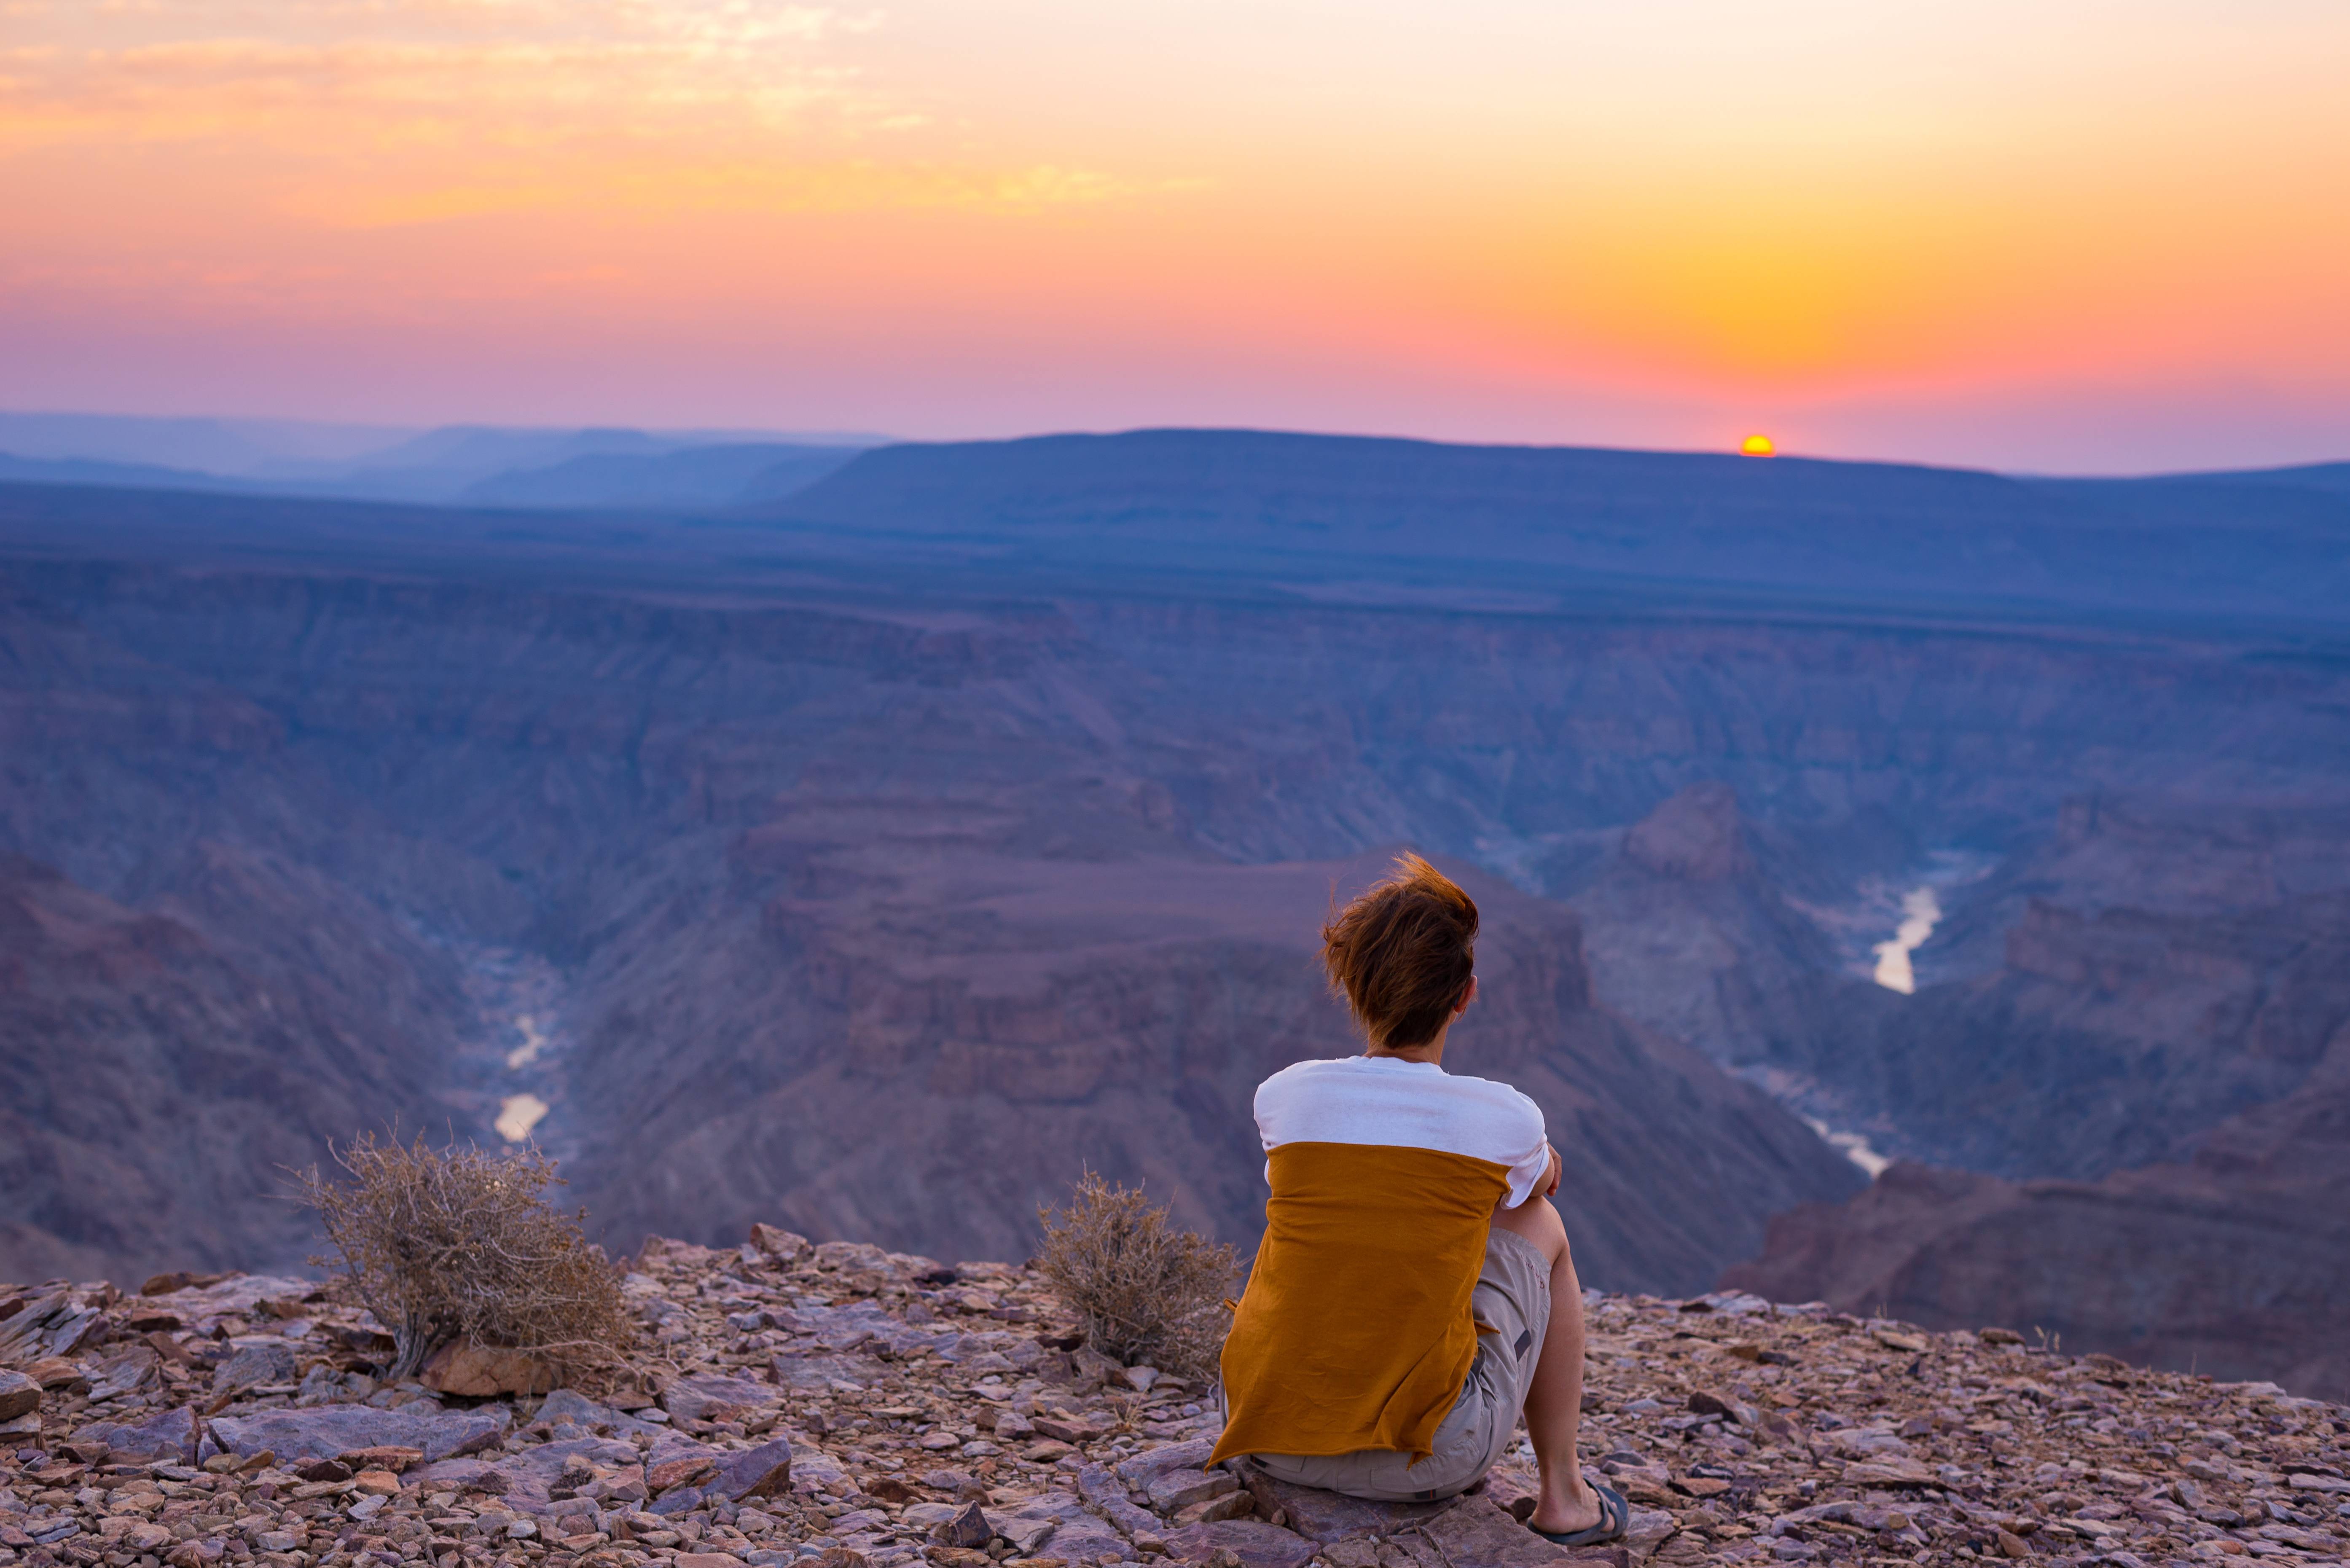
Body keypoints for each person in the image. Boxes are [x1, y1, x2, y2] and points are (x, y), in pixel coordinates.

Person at [1209, 854, 1627, 1545]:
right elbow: (1538, 1184)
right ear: (1464, 998)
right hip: (1429, 1456)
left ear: (1351, 989)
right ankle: (1566, 1497)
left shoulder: (1284, 1095)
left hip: (1261, 1430)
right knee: (1538, 1221)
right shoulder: (1504, 1116)